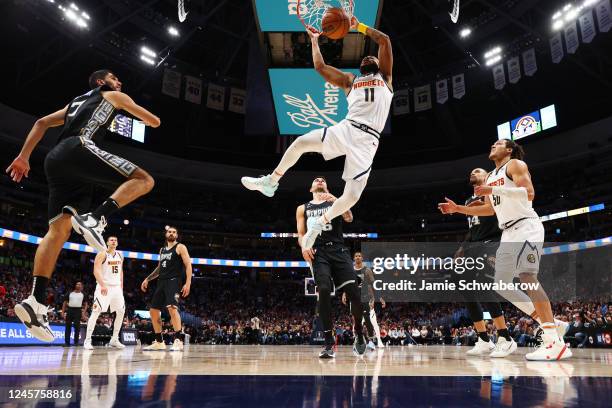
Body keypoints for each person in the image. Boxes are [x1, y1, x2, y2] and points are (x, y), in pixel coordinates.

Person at [9, 69, 159, 342]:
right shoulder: (113, 95)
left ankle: (35, 300)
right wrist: (134, 112)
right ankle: (96, 217)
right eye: (115, 77)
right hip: (78, 147)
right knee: (145, 179)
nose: (120, 81)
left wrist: (23, 156)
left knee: (58, 231)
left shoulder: (74, 104)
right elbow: (155, 121)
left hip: (55, 160)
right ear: (101, 82)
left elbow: (42, 122)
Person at [242, 16, 393, 251]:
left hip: (369, 139)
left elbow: (384, 40)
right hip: (347, 127)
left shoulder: (386, 78)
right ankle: (271, 182)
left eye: (370, 56)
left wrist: (358, 26)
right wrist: (314, 41)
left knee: (352, 197)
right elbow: (320, 68)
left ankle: (319, 223)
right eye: (365, 57)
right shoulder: (350, 81)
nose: (368, 57)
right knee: (301, 142)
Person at [438, 139, 571, 361]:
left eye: (498, 143)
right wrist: (457, 209)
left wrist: (493, 188)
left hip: (526, 225)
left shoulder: (515, 165)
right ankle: (551, 323)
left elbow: (529, 193)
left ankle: (554, 342)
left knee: (527, 276)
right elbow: (490, 209)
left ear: (509, 150)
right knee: (501, 284)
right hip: (508, 233)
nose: (493, 145)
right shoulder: (490, 176)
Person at [296, 177, 366, 358]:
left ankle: (358, 332)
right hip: (318, 253)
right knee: (324, 290)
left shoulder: (335, 200)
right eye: (316, 179)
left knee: (354, 293)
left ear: (326, 186)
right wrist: (304, 247)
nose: (320, 180)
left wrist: (336, 200)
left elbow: (349, 218)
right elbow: (301, 234)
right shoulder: (303, 208)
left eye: (323, 179)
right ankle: (328, 343)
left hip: (339, 250)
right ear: (311, 187)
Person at [455, 168, 517, 358]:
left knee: (484, 285)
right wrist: (462, 248)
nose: (473, 172)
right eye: (471, 171)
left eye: (478, 170)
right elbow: (473, 229)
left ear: (487, 176)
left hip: (492, 242)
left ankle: (505, 336)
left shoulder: (493, 192)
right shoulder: (467, 200)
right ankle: (483, 339)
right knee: (466, 288)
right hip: (474, 246)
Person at [141, 227, 192, 351]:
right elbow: (159, 268)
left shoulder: (180, 247)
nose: (172, 233)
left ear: (177, 235)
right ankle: (159, 341)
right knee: (153, 311)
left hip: (174, 281)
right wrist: (147, 279)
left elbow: (188, 264)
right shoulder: (162, 250)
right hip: (161, 282)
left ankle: (178, 340)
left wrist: (188, 283)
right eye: (170, 232)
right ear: (166, 234)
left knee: (172, 308)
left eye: (174, 232)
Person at [84, 236, 126, 350]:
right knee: (96, 311)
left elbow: (121, 272)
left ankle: (114, 339)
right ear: (107, 242)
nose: (114, 242)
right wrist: (102, 284)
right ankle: (87, 340)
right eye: (111, 240)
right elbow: (96, 270)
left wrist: (121, 287)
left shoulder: (120, 255)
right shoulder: (102, 254)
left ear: (117, 243)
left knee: (121, 311)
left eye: (115, 240)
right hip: (104, 286)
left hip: (116, 288)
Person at [342, 251, 385, 349]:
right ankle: (358, 340)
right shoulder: (351, 270)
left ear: (362, 258)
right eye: (356, 256)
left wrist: (379, 297)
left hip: (366, 297)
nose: (357, 257)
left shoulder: (367, 270)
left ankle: (370, 341)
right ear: (354, 258)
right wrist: (344, 293)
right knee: (356, 321)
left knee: (368, 318)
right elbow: (348, 283)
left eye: (359, 256)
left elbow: (373, 285)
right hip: (354, 298)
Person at [62, 281, 85, 346]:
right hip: (70, 310)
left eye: (80, 284)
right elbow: (64, 302)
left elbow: (86, 304)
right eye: (77, 284)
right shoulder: (70, 293)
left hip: (78, 311)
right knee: (68, 327)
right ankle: (67, 343)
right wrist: (63, 312)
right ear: (75, 285)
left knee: (77, 327)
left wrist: (83, 313)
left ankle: (76, 342)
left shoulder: (83, 294)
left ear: (81, 286)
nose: (78, 285)